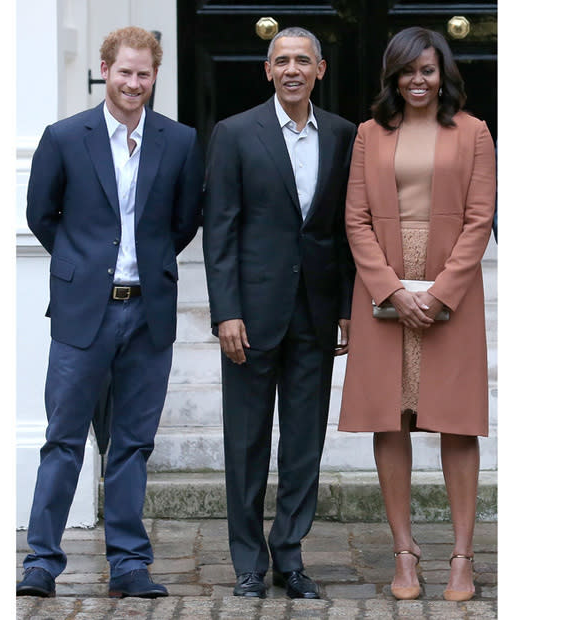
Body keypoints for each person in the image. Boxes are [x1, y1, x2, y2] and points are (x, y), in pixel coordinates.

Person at [17, 26, 203, 598]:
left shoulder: (180, 141)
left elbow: (184, 220)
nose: (134, 83)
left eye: (144, 74)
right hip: (81, 313)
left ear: (155, 76)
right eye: (124, 72)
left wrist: (142, 265)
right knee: (63, 438)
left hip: (147, 312)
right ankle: (42, 563)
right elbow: (41, 214)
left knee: (131, 443)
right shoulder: (66, 136)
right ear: (105, 69)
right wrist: (83, 267)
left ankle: (128, 563)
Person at [338, 27, 496, 602]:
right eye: (407, 71)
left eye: (427, 69)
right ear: (393, 77)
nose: (418, 80)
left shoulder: (474, 132)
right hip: (384, 283)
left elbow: (481, 219)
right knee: (391, 417)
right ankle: (404, 554)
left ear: (443, 72)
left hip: (452, 287)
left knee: (456, 420)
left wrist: (441, 292)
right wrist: (391, 289)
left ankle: (461, 557)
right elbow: (355, 218)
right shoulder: (368, 134)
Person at [203, 27, 356, 599]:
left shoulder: (343, 135)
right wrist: (226, 312)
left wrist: (345, 306)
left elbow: (345, 229)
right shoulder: (235, 134)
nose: (292, 69)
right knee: (245, 443)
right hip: (251, 315)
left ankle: (289, 556)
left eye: (303, 60)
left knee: (302, 443)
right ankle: (247, 563)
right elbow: (219, 230)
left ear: (320, 69)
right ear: (268, 70)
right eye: (282, 60)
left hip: (316, 315)